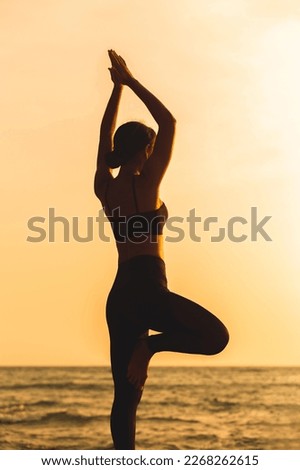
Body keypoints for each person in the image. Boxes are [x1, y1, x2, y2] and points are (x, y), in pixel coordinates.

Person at [94, 50, 229, 450]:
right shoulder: (147, 181)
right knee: (216, 337)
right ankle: (151, 346)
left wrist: (116, 90)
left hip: (120, 295)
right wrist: (130, 80)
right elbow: (168, 121)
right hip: (149, 288)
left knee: (126, 396)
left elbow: (104, 137)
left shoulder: (105, 186)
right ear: (147, 150)